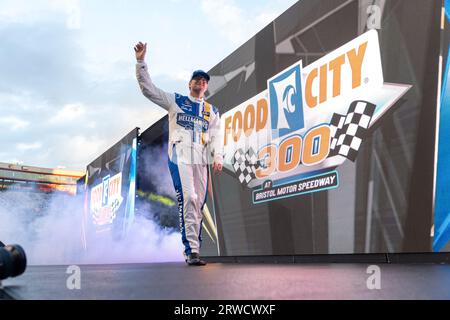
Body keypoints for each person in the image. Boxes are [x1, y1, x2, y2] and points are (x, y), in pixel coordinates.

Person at [134, 42, 223, 266]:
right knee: (190, 198)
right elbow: (149, 90)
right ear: (190, 84)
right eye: (197, 79)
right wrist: (141, 62)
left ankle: (195, 250)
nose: (201, 82)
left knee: (198, 204)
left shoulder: (211, 111)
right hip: (180, 156)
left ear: (206, 87)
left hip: (201, 159)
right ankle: (191, 251)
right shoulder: (176, 101)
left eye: (204, 81)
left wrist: (218, 156)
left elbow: (216, 136)